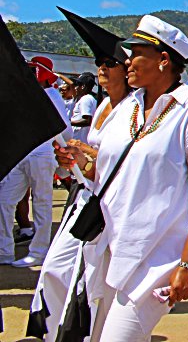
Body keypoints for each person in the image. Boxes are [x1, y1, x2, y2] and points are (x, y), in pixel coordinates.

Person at [59, 15, 188, 341]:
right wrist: (80, 161)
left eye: (136, 52)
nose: (127, 61)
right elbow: (106, 173)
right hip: (106, 248)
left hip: (155, 259)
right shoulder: (127, 107)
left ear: (164, 60)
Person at [37, 45, 132, 339]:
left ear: (125, 70)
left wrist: (86, 153)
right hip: (86, 196)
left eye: (109, 62)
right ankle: (53, 331)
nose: (102, 67)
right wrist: (75, 157)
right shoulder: (104, 105)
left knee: (94, 282)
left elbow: (124, 158)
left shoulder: (135, 109)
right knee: (55, 268)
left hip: (111, 205)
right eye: (99, 62)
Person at [0, 56, 70, 268]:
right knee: (4, 200)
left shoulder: (51, 95)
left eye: (32, 72)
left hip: (41, 154)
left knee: (41, 203)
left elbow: (64, 127)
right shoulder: (27, 96)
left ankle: (39, 252)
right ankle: (4, 251)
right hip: (24, 153)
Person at [70, 72, 98, 145]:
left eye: (77, 85)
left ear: (83, 86)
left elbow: (87, 120)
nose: (75, 88)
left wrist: (68, 122)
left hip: (81, 142)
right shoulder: (90, 98)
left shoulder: (86, 99)